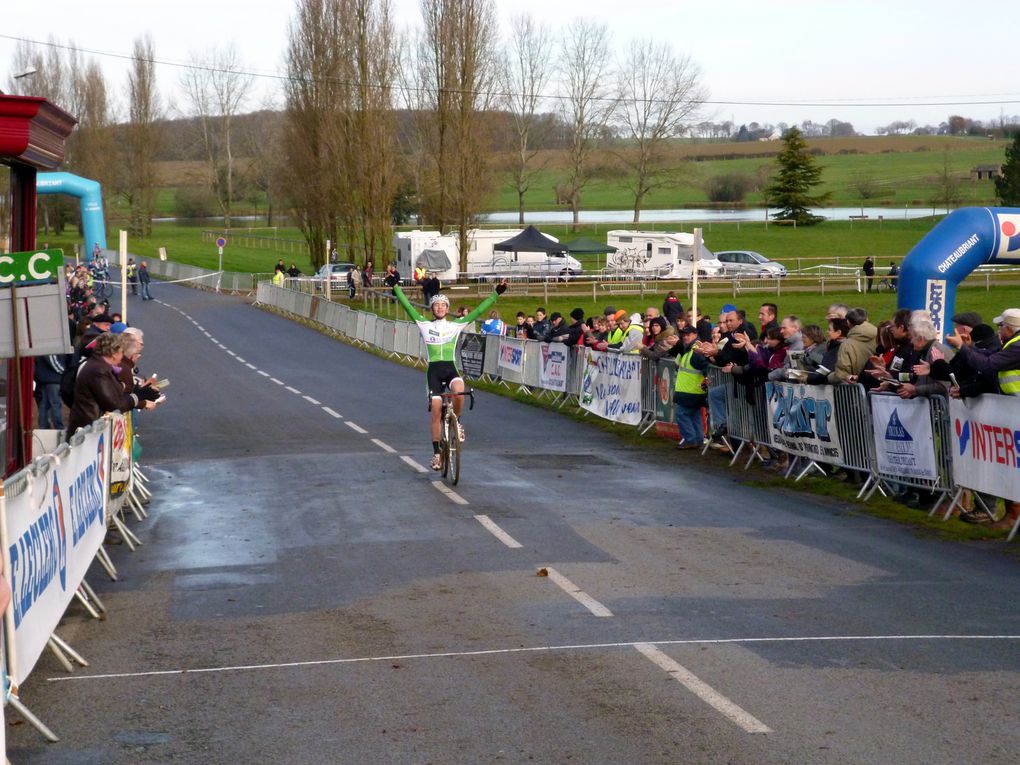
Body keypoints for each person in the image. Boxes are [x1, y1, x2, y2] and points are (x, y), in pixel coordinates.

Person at [393, 280, 507, 470]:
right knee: (436, 410)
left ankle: (458, 422)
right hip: (434, 372)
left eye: (443, 305)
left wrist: (497, 293)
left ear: (447, 308)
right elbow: (406, 304)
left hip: (450, 368)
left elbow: (478, 312)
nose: (439, 307)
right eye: (436, 305)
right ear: (432, 308)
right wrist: (395, 287)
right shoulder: (423, 324)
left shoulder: (456, 325)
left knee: (460, 389)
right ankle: (437, 453)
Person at [65, 333, 159, 440]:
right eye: (121, 352)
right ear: (114, 353)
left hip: (89, 425)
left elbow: (114, 392)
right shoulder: (99, 371)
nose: (122, 356)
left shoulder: (100, 366)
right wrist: (139, 395)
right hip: (89, 430)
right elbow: (114, 404)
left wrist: (138, 391)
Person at [673, 325, 710, 449]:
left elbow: (705, 366)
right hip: (692, 390)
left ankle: (690, 439)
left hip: (690, 391)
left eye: (688, 335)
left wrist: (707, 378)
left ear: (695, 335)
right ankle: (698, 439)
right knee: (694, 415)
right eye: (684, 335)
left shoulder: (695, 351)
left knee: (681, 414)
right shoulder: (690, 350)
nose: (685, 337)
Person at [34, 353, 69, 430]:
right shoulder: (50, 345)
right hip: (53, 379)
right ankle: (59, 427)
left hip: (43, 379)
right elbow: (52, 360)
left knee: (44, 405)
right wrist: (64, 372)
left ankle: (43, 427)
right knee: (55, 404)